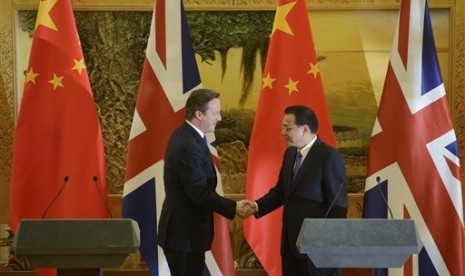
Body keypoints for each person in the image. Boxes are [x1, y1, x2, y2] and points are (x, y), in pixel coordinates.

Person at [157, 88, 251, 276]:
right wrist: (234, 207)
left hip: (188, 235)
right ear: (199, 114)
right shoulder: (187, 145)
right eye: (215, 113)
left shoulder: (191, 137)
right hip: (183, 236)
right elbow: (199, 193)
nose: (220, 118)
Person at [248, 105, 348, 276]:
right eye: (282, 127)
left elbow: (338, 207)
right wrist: (256, 206)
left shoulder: (329, 157)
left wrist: (331, 252)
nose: (282, 132)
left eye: (287, 128)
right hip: (290, 245)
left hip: (316, 250)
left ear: (305, 129)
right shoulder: (290, 154)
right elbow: (281, 192)